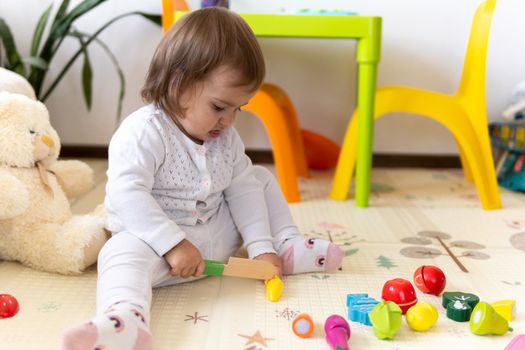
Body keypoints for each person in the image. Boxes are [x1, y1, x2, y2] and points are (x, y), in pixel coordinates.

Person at [62, 7, 343, 350]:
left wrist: (260, 248)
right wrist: (172, 244)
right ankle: (126, 319)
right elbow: (126, 194)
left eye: (239, 109)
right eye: (220, 107)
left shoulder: (226, 140)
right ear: (179, 85)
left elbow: (243, 193)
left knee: (257, 178)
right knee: (118, 252)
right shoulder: (143, 132)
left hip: (216, 235)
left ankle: (286, 245)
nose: (228, 121)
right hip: (156, 247)